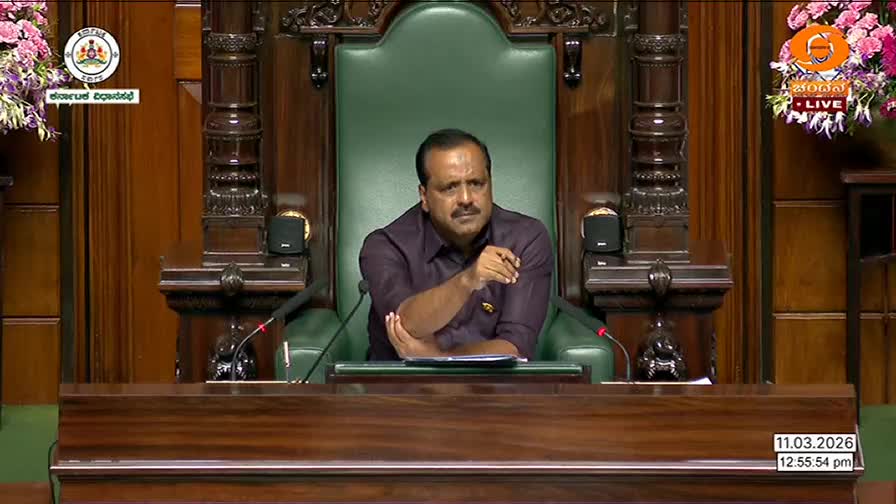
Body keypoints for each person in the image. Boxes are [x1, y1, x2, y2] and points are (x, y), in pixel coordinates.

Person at [359, 128, 554, 361]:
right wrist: (467, 281)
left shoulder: (525, 238)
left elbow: (516, 348)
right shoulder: (385, 246)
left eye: (476, 183)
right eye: (450, 187)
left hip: (493, 390)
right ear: (424, 196)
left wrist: (439, 358)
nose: (466, 199)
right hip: (402, 390)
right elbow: (406, 324)